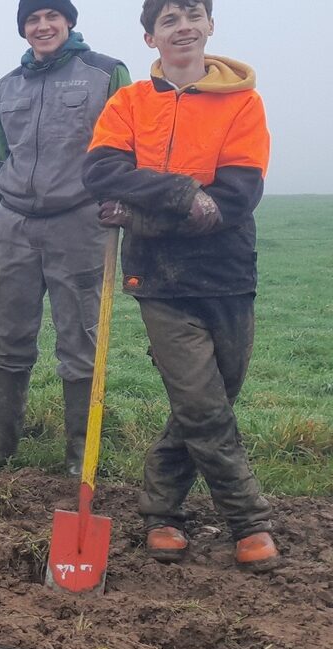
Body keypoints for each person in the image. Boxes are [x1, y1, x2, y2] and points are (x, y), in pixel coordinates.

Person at [83, 0, 278, 571]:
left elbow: (235, 199)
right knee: (201, 401)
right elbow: (99, 173)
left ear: (210, 26)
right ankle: (249, 520)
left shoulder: (244, 103)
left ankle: (163, 509)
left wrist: (138, 210)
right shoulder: (129, 103)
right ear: (151, 39)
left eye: (192, 15)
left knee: (209, 402)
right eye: (168, 20)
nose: (183, 27)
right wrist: (182, 196)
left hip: (228, 275)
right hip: (159, 281)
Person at [0, 1, 130, 474]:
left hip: (79, 223)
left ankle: (79, 455)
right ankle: (2, 448)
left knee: (78, 340)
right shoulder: (7, 85)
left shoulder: (106, 73)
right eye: (32, 19)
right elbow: (5, 152)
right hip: (16, 225)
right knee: (8, 335)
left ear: (69, 22)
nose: (42, 26)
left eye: (51, 17)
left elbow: (128, 144)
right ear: (23, 29)